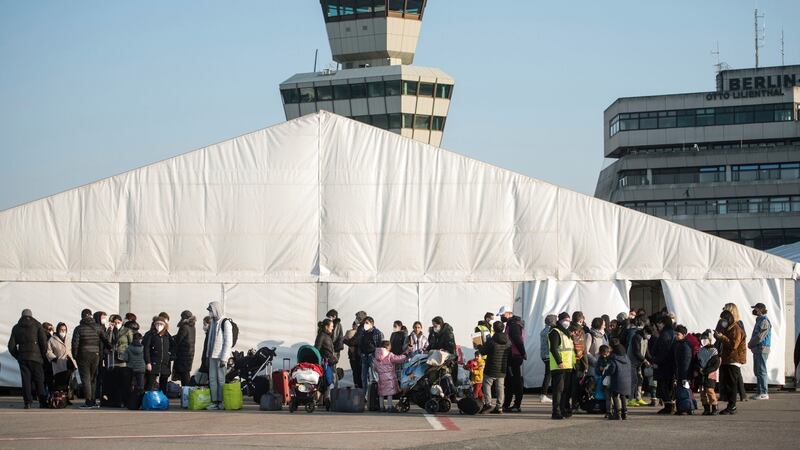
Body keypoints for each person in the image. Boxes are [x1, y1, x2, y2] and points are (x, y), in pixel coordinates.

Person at [8, 309, 49, 409]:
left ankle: (28, 402)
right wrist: (42, 355)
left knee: (26, 380)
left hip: (23, 357)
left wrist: (17, 355)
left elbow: (11, 346)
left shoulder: (16, 327)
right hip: (36, 358)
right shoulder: (37, 325)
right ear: (31, 315)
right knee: (39, 380)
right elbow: (43, 343)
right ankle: (42, 402)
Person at [72, 308, 111, 408]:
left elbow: (75, 343)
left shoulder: (78, 328)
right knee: (93, 378)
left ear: (82, 317)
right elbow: (105, 340)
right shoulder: (98, 327)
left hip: (83, 355)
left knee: (86, 379)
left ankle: (88, 401)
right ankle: (93, 400)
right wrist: (110, 348)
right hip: (96, 355)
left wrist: (75, 356)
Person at [715, 310, 746, 415]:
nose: (722, 321)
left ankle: (732, 406)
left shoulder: (736, 329)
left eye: (724, 319)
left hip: (734, 360)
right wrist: (718, 333)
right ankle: (730, 405)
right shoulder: (727, 328)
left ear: (728, 319)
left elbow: (734, 345)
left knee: (732, 384)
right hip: (727, 359)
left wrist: (722, 337)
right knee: (728, 384)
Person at [205, 301, 233, 410]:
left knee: (221, 379)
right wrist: (207, 355)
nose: (209, 313)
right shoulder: (213, 323)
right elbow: (210, 341)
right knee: (212, 379)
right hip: (212, 355)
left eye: (210, 310)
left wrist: (224, 358)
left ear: (216, 310)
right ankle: (214, 401)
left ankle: (221, 401)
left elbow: (228, 342)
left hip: (220, 356)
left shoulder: (225, 323)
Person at [479, 321, 510, 414]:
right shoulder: (508, 341)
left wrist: (480, 346)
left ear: (494, 329)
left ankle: (488, 404)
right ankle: (499, 407)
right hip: (502, 368)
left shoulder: (491, 341)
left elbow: (483, 352)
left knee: (487, 385)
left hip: (491, 368)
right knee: (500, 387)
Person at [498, 306, 526, 413]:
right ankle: (507, 404)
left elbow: (518, 341)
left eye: (503, 315)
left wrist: (523, 353)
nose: (501, 317)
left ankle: (516, 404)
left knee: (514, 381)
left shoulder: (513, 325)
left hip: (514, 356)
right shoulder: (511, 324)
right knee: (510, 381)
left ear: (509, 314)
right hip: (513, 355)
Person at [549, 312, 576, 420]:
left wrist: (573, 363)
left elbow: (570, 351)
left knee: (565, 390)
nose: (567, 322)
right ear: (560, 320)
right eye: (566, 320)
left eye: (569, 320)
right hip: (558, 366)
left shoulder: (567, 333)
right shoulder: (555, 332)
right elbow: (553, 349)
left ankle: (563, 409)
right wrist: (559, 362)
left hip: (568, 366)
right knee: (558, 390)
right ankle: (556, 412)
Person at [722, 303, 747, 402]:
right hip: (730, 357)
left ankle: (732, 404)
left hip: (734, 357)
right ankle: (737, 398)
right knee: (732, 379)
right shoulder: (729, 326)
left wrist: (722, 337)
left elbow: (734, 344)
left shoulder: (736, 327)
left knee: (733, 380)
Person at [372, 340, 407, 412]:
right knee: (389, 393)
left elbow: (375, 368)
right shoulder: (389, 355)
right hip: (389, 377)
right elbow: (398, 359)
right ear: (388, 346)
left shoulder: (376, 356)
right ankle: (389, 407)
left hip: (381, 377)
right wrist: (405, 355)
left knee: (381, 392)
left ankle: (381, 407)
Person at [747, 302, 772, 400]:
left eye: (756, 309)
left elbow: (760, 336)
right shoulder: (759, 320)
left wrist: (750, 343)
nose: (754, 311)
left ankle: (764, 392)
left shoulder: (764, 321)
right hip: (757, 348)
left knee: (761, 371)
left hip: (762, 348)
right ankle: (759, 392)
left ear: (761, 310)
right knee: (758, 371)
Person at [652, 315, 676, 414]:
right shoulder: (673, 333)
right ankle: (671, 405)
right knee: (670, 386)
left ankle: (668, 406)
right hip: (671, 365)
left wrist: (656, 361)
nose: (658, 325)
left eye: (660, 323)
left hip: (664, 366)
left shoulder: (665, 335)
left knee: (664, 386)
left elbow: (663, 352)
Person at [108, 314, 133, 407]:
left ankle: (125, 400)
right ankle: (117, 400)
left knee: (124, 381)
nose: (117, 324)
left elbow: (131, 343)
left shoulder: (127, 331)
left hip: (124, 357)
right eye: (115, 323)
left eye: (118, 322)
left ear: (122, 322)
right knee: (115, 380)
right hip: (114, 357)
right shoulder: (112, 330)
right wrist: (110, 331)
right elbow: (109, 342)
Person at [143, 316, 172, 393]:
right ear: (154, 325)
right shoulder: (150, 334)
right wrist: (148, 362)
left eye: (161, 324)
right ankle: (146, 400)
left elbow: (173, 346)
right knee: (150, 383)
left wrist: (171, 355)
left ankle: (162, 400)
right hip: (153, 362)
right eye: (157, 324)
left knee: (163, 383)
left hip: (164, 363)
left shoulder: (167, 335)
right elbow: (146, 349)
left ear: (165, 325)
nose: (159, 326)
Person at [46, 322, 76, 396]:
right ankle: (59, 398)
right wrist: (54, 359)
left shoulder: (68, 338)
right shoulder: (52, 339)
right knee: (59, 382)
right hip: (58, 363)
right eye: (61, 330)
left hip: (69, 362)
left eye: (64, 330)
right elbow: (48, 351)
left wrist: (74, 359)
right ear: (58, 330)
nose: (63, 331)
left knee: (68, 382)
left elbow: (72, 349)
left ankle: (67, 398)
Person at [606, 339, 632, 420]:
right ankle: (625, 413)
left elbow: (612, 369)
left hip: (617, 379)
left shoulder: (613, 357)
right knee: (623, 396)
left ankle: (618, 414)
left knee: (615, 395)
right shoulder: (625, 356)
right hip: (626, 380)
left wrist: (607, 371)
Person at [568, 311, 587, 413]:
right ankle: (575, 406)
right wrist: (586, 364)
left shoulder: (568, 329)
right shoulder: (579, 331)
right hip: (578, 362)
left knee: (569, 385)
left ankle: (567, 405)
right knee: (577, 386)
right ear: (580, 320)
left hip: (568, 360)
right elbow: (582, 349)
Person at [627, 323, 650, 407]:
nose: (649, 336)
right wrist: (645, 360)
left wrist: (651, 359)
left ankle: (638, 398)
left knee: (640, 379)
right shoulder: (636, 337)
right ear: (644, 331)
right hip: (632, 362)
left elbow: (646, 352)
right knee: (633, 380)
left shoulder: (645, 339)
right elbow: (636, 352)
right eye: (648, 333)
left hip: (639, 363)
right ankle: (631, 399)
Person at [698, 330, 720, 415]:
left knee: (710, 390)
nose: (703, 340)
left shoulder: (714, 351)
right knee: (702, 392)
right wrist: (699, 369)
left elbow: (715, 364)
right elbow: (697, 361)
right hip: (701, 375)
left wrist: (706, 371)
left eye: (705, 339)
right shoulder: (701, 351)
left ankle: (714, 407)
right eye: (702, 339)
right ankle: (706, 408)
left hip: (710, 375)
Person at [673, 325, 693, 415]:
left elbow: (686, 362)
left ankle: (686, 408)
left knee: (684, 391)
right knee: (681, 391)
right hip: (680, 373)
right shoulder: (679, 344)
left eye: (678, 334)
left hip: (684, 373)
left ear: (684, 335)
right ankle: (683, 408)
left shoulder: (685, 346)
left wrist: (684, 376)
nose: (676, 336)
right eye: (675, 334)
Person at [343, 311, 367, 389]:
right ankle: (359, 388)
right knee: (357, 373)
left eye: (357, 318)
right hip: (355, 355)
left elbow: (354, 341)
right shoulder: (361, 328)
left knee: (358, 373)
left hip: (357, 355)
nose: (356, 320)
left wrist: (344, 340)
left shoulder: (362, 328)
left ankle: (360, 390)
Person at [359, 316, 383, 391]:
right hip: (364, 356)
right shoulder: (363, 332)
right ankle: (365, 395)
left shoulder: (377, 332)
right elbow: (360, 344)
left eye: (367, 323)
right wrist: (361, 353)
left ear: (371, 323)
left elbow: (380, 345)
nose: (365, 325)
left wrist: (377, 356)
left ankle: (376, 394)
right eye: (364, 323)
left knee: (374, 376)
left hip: (372, 356)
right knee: (364, 377)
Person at [173, 310, 196, 386]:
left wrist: (172, 339)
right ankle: (187, 391)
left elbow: (178, 339)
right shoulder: (192, 327)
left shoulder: (184, 327)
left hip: (183, 354)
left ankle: (186, 393)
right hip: (189, 353)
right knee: (186, 373)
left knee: (184, 375)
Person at [539, 314, 557, 403]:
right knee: (549, 375)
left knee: (548, 374)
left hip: (544, 355)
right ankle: (544, 394)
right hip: (549, 356)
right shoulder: (550, 331)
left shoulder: (543, 330)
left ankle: (544, 394)